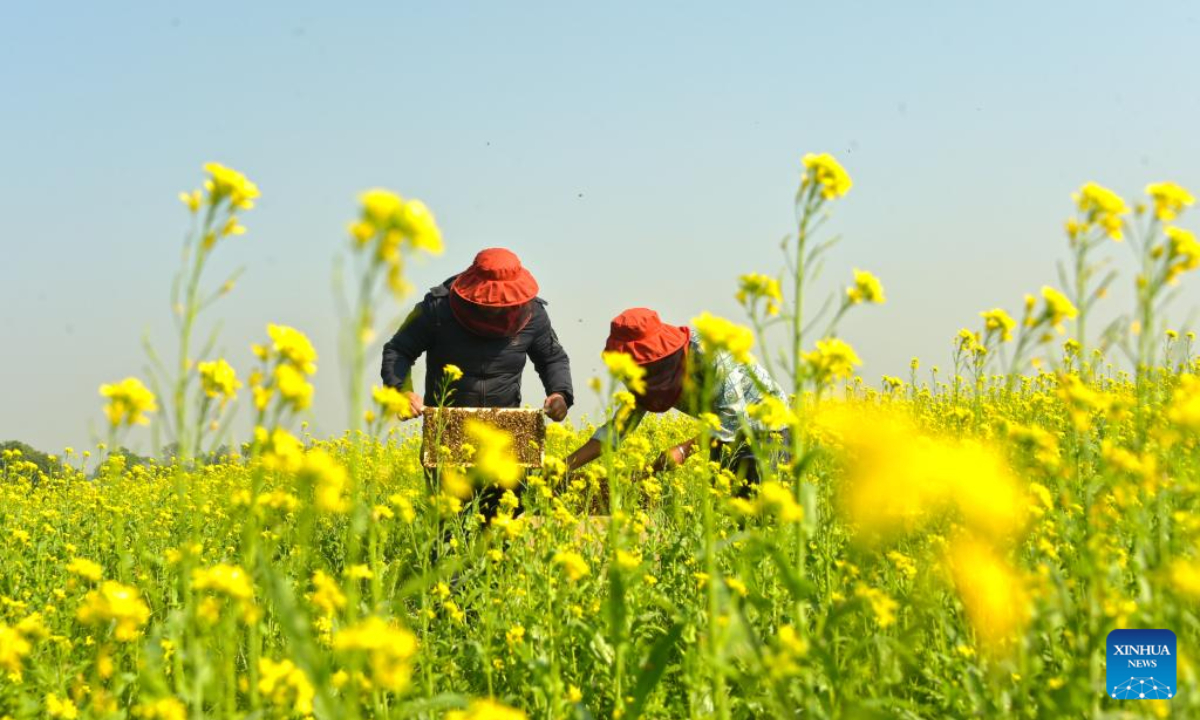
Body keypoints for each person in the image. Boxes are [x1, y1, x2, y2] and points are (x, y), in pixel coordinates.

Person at [565, 308, 788, 494]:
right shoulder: (649, 379)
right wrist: (563, 467)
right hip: (722, 440)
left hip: (766, 430)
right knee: (728, 515)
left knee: (761, 511)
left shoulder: (709, 352)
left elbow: (732, 415)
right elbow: (616, 431)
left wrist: (683, 450)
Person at [381, 247, 573, 420]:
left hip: (504, 430)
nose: (495, 310)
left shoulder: (534, 314)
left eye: (503, 305)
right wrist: (401, 391)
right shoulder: (437, 308)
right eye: (488, 304)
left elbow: (552, 359)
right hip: (444, 426)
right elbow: (398, 350)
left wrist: (560, 394)